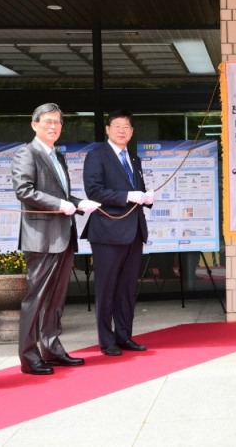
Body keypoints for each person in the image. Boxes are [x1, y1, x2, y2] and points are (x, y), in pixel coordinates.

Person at [12, 103, 100, 375]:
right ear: (34, 124)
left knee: (56, 298)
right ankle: (29, 357)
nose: (53, 126)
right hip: (41, 237)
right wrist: (61, 205)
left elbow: (61, 195)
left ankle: (51, 347)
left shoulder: (58, 156)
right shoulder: (27, 153)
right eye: (48, 121)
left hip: (63, 235)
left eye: (58, 122)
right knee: (36, 298)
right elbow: (24, 190)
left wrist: (79, 203)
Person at [82, 110, 153, 356]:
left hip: (134, 231)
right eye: (117, 126)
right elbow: (93, 191)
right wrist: (127, 196)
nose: (122, 130)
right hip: (108, 231)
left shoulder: (134, 159)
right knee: (107, 288)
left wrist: (147, 198)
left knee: (127, 288)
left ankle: (124, 336)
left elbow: (138, 190)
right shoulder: (97, 156)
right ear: (107, 129)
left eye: (126, 127)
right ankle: (106, 340)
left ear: (132, 132)